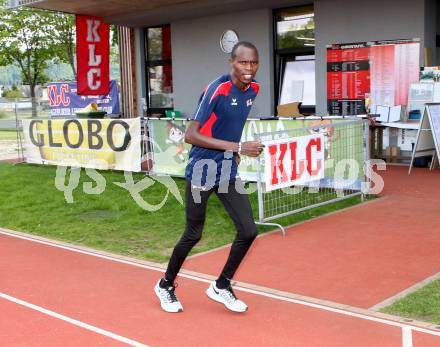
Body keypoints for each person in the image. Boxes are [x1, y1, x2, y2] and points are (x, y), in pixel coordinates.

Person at [154, 41, 263, 313]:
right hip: (201, 170)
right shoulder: (217, 89)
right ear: (231, 62)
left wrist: (235, 151)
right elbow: (191, 135)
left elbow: (230, 126)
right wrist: (238, 147)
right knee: (193, 233)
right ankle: (165, 284)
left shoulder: (254, 90)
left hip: (226, 169)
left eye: (253, 62)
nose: (248, 68)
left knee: (249, 231)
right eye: (243, 62)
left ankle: (221, 286)